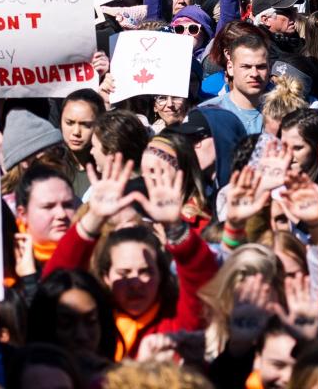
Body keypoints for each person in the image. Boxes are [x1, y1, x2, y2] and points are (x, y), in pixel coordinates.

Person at [43, 153, 218, 359]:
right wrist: (94, 219)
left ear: (161, 275)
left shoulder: (176, 325)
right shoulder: (90, 325)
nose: (136, 283)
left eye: (145, 272)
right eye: (124, 273)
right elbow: (54, 286)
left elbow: (204, 281)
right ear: (106, 277)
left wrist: (176, 227)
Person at [199, 28, 270, 134]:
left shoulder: (287, 112)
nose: (254, 74)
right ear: (230, 68)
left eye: (261, 67)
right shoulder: (206, 114)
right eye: (246, 66)